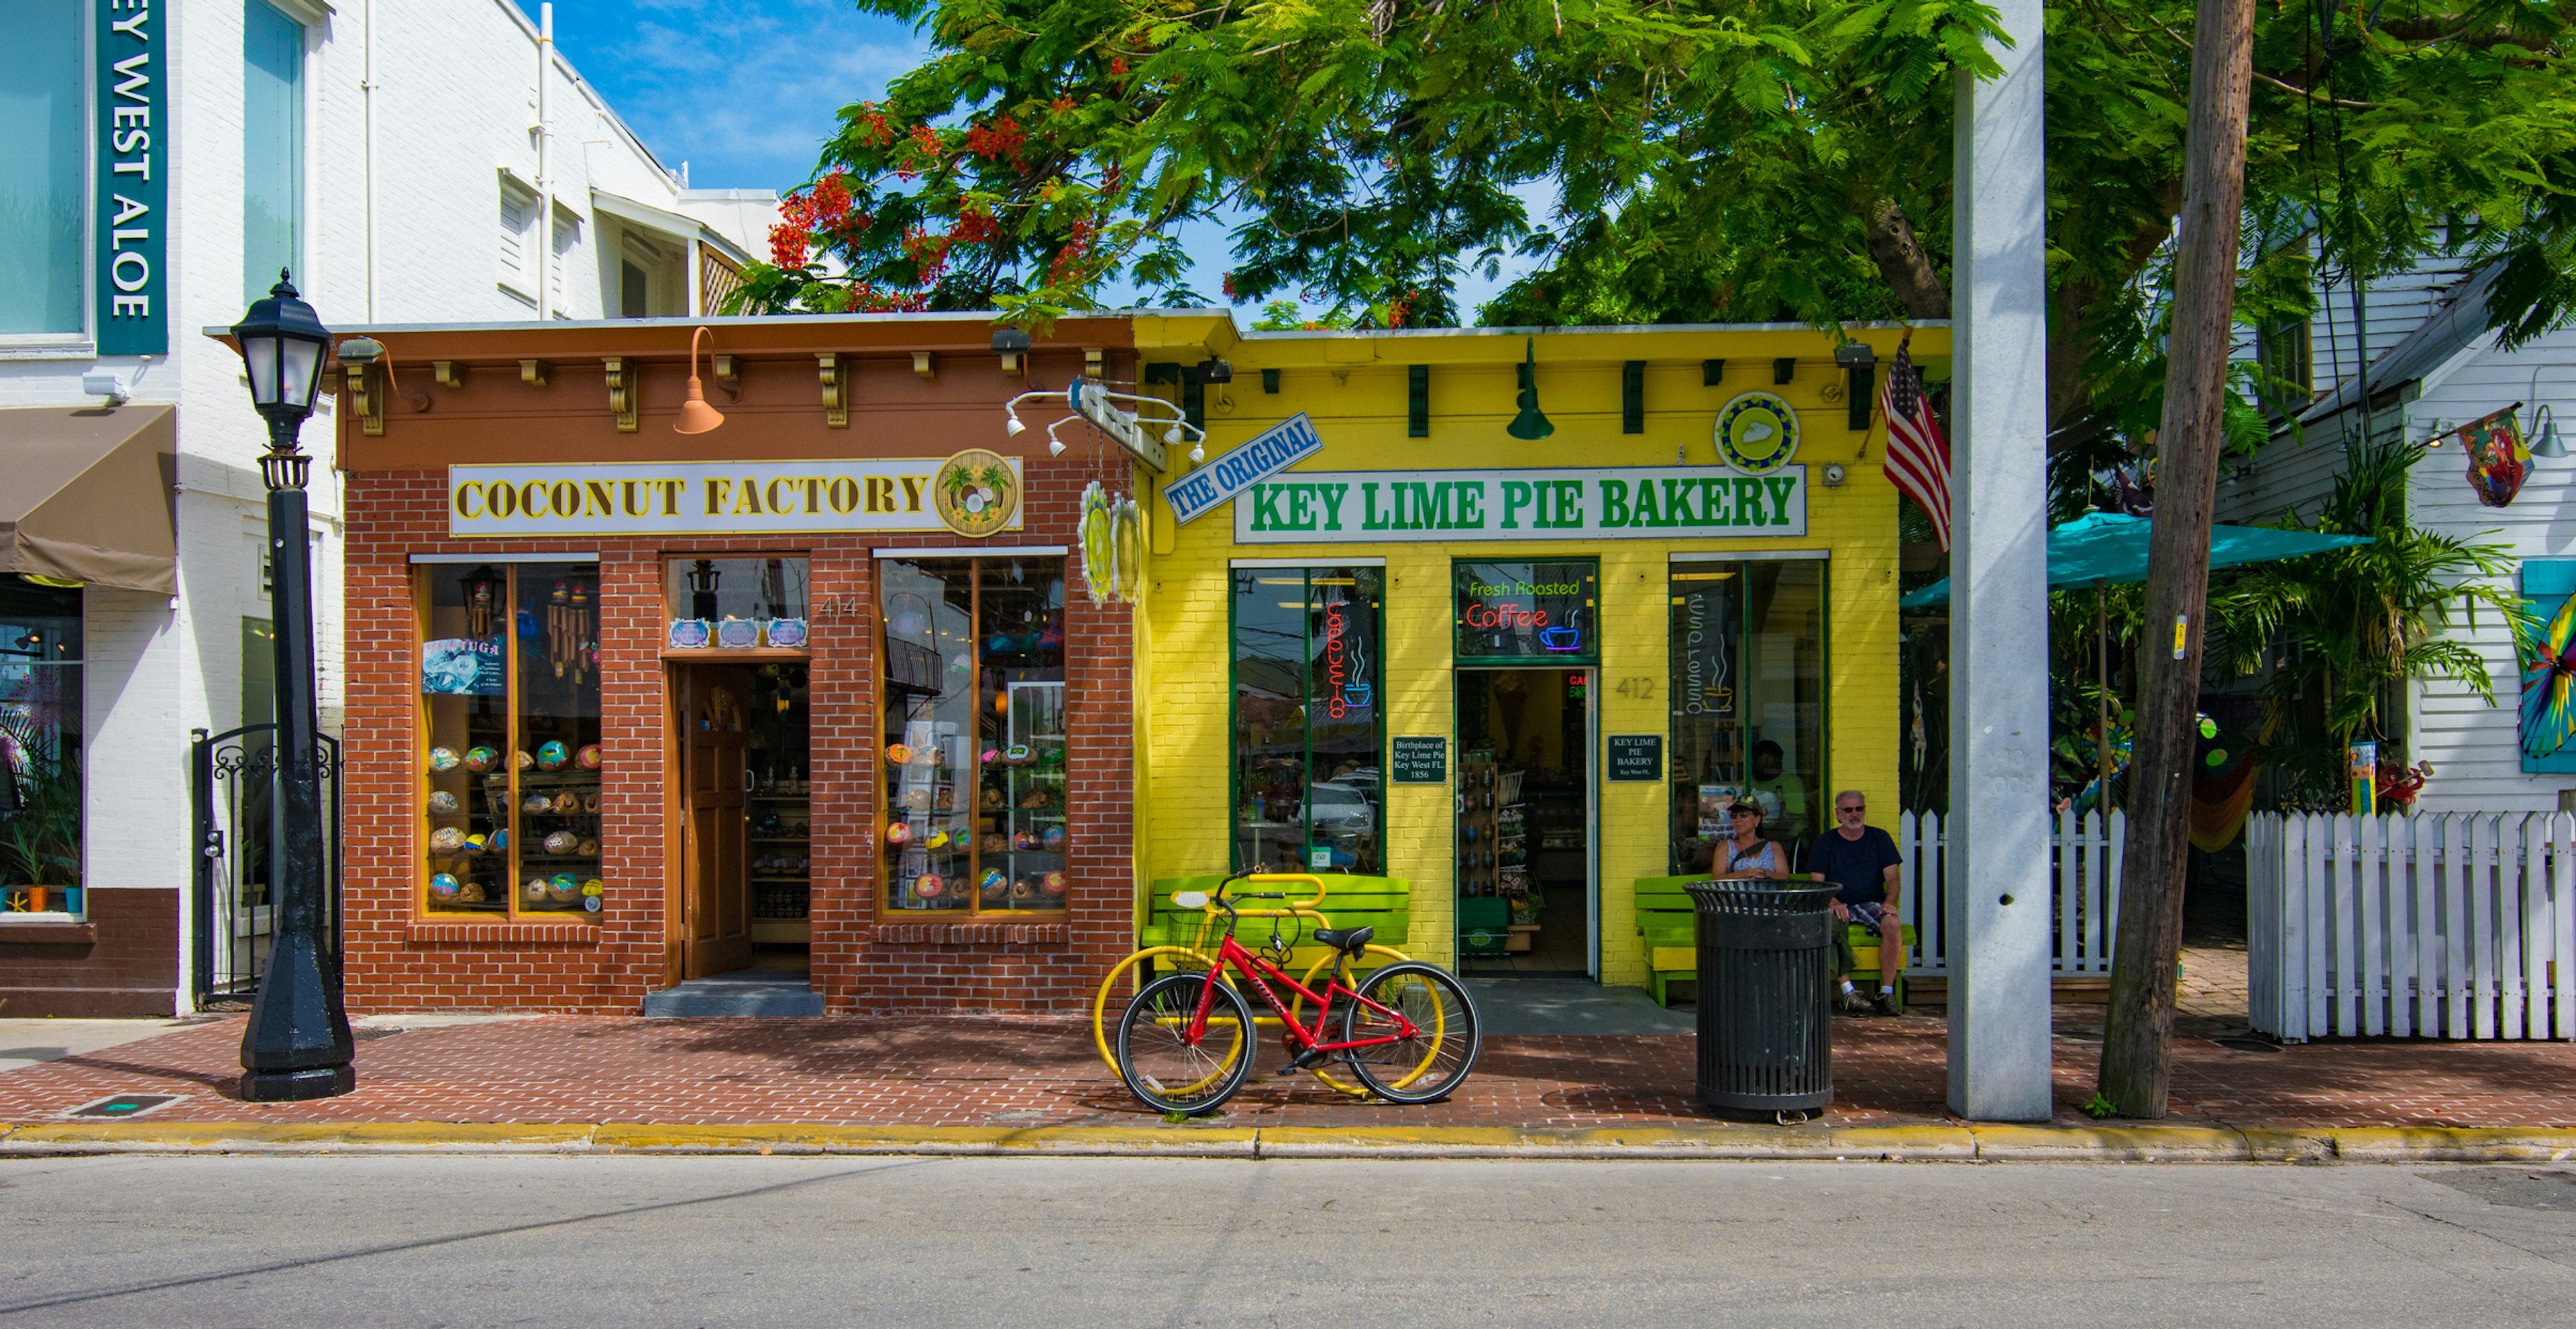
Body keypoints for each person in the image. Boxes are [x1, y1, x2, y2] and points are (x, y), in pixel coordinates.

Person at [1806, 789, 1906, 1014]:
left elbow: (1893, 879)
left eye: (1859, 809)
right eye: (1848, 810)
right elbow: (1817, 883)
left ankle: (1887, 993)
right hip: (1838, 902)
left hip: (1871, 901)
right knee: (1830, 925)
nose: (1854, 814)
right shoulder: (1826, 842)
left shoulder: (1879, 838)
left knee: (1892, 923)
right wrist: (1833, 902)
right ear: (1837, 813)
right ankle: (1848, 992)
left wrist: (1890, 902)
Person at [1748, 740, 1809, 840]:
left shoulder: (1791, 782)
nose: (1754, 765)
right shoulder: (1751, 782)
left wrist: (1766, 837)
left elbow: (1791, 818)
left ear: (1773, 760)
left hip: (1788, 838)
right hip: (1757, 837)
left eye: (1758, 760)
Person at [1719, 801, 1790, 878]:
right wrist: (1742, 875)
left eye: (1743, 815)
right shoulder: (1725, 847)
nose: (1738, 820)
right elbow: (1717, 878)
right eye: (1734, 816)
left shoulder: (1774, 847)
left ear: (1757, 820)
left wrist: (1767, 873)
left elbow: (1784, 877)